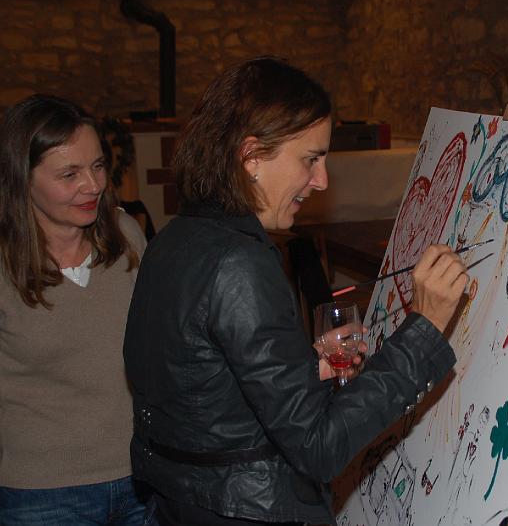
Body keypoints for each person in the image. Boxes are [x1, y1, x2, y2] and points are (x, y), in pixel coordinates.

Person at [123, 56, 468, 525]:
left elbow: (202, 387)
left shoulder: (174, 238)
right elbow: (319, 447)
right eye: (310, 159)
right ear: (251, 157)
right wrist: (423, 329)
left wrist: (301, 367)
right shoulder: (238, 262)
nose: (321, 180)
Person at [0, 95, 149, 523]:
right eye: (69, 174)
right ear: (22, 178)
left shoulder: (127, 237)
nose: (93, 185)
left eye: (97, 166)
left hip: (142, 479)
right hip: (40, 495)